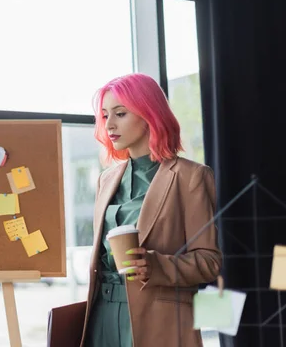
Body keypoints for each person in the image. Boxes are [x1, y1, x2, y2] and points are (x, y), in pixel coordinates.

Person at [81, 73, 222, 347]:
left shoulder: (190, 176)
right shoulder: (106, 179)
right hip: (102, 314)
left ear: (149, 114)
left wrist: (157, 265)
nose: (109, 124)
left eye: (120, 113)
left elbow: (209, 262)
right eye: (105, 115)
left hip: (159, 319)